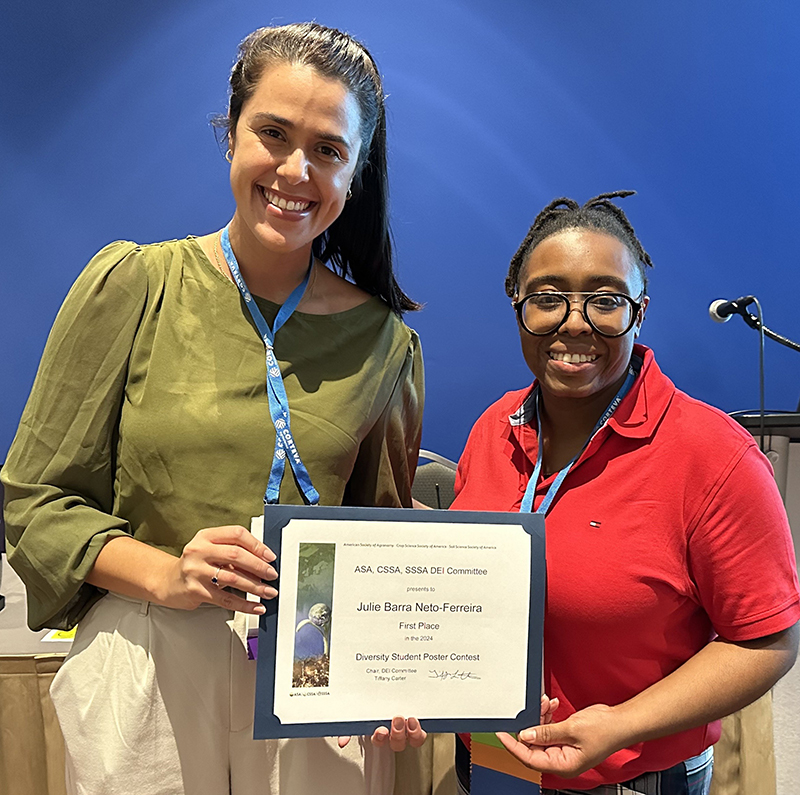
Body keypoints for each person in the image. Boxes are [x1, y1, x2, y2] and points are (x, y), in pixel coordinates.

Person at [2, 22, 431, 795]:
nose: (295, 169)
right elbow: (35, 500)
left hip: (314, 665)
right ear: (229, 132)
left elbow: (382, 541)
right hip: (149, 656)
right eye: (272, 132)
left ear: (356, 171)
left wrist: (396, 671)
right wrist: (168, 575)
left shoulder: (385, 344)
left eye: (329, 149)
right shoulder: (134, 284)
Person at [451, 191, 800, 794]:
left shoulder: (714, 456)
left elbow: (766, 640)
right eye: (548, 298)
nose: (574, 322)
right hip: (489, 765)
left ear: (639, 311)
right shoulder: (493, 429)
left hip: (629, 777)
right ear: (518, 307)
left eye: (605, 300)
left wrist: (622, 725)